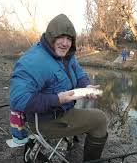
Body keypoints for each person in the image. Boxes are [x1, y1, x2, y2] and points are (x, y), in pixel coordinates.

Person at [10, 14, 108, 161]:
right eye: (61, 37)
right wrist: (57, 99)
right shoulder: (33, 61)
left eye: (69, 39)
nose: (65, 43)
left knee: (92, 114)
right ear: (50, 37)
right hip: (44, 121)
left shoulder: (67, 55)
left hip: (64, 110)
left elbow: (79, 73)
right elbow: (18, 100)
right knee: (100, 120)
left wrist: (86, 86)